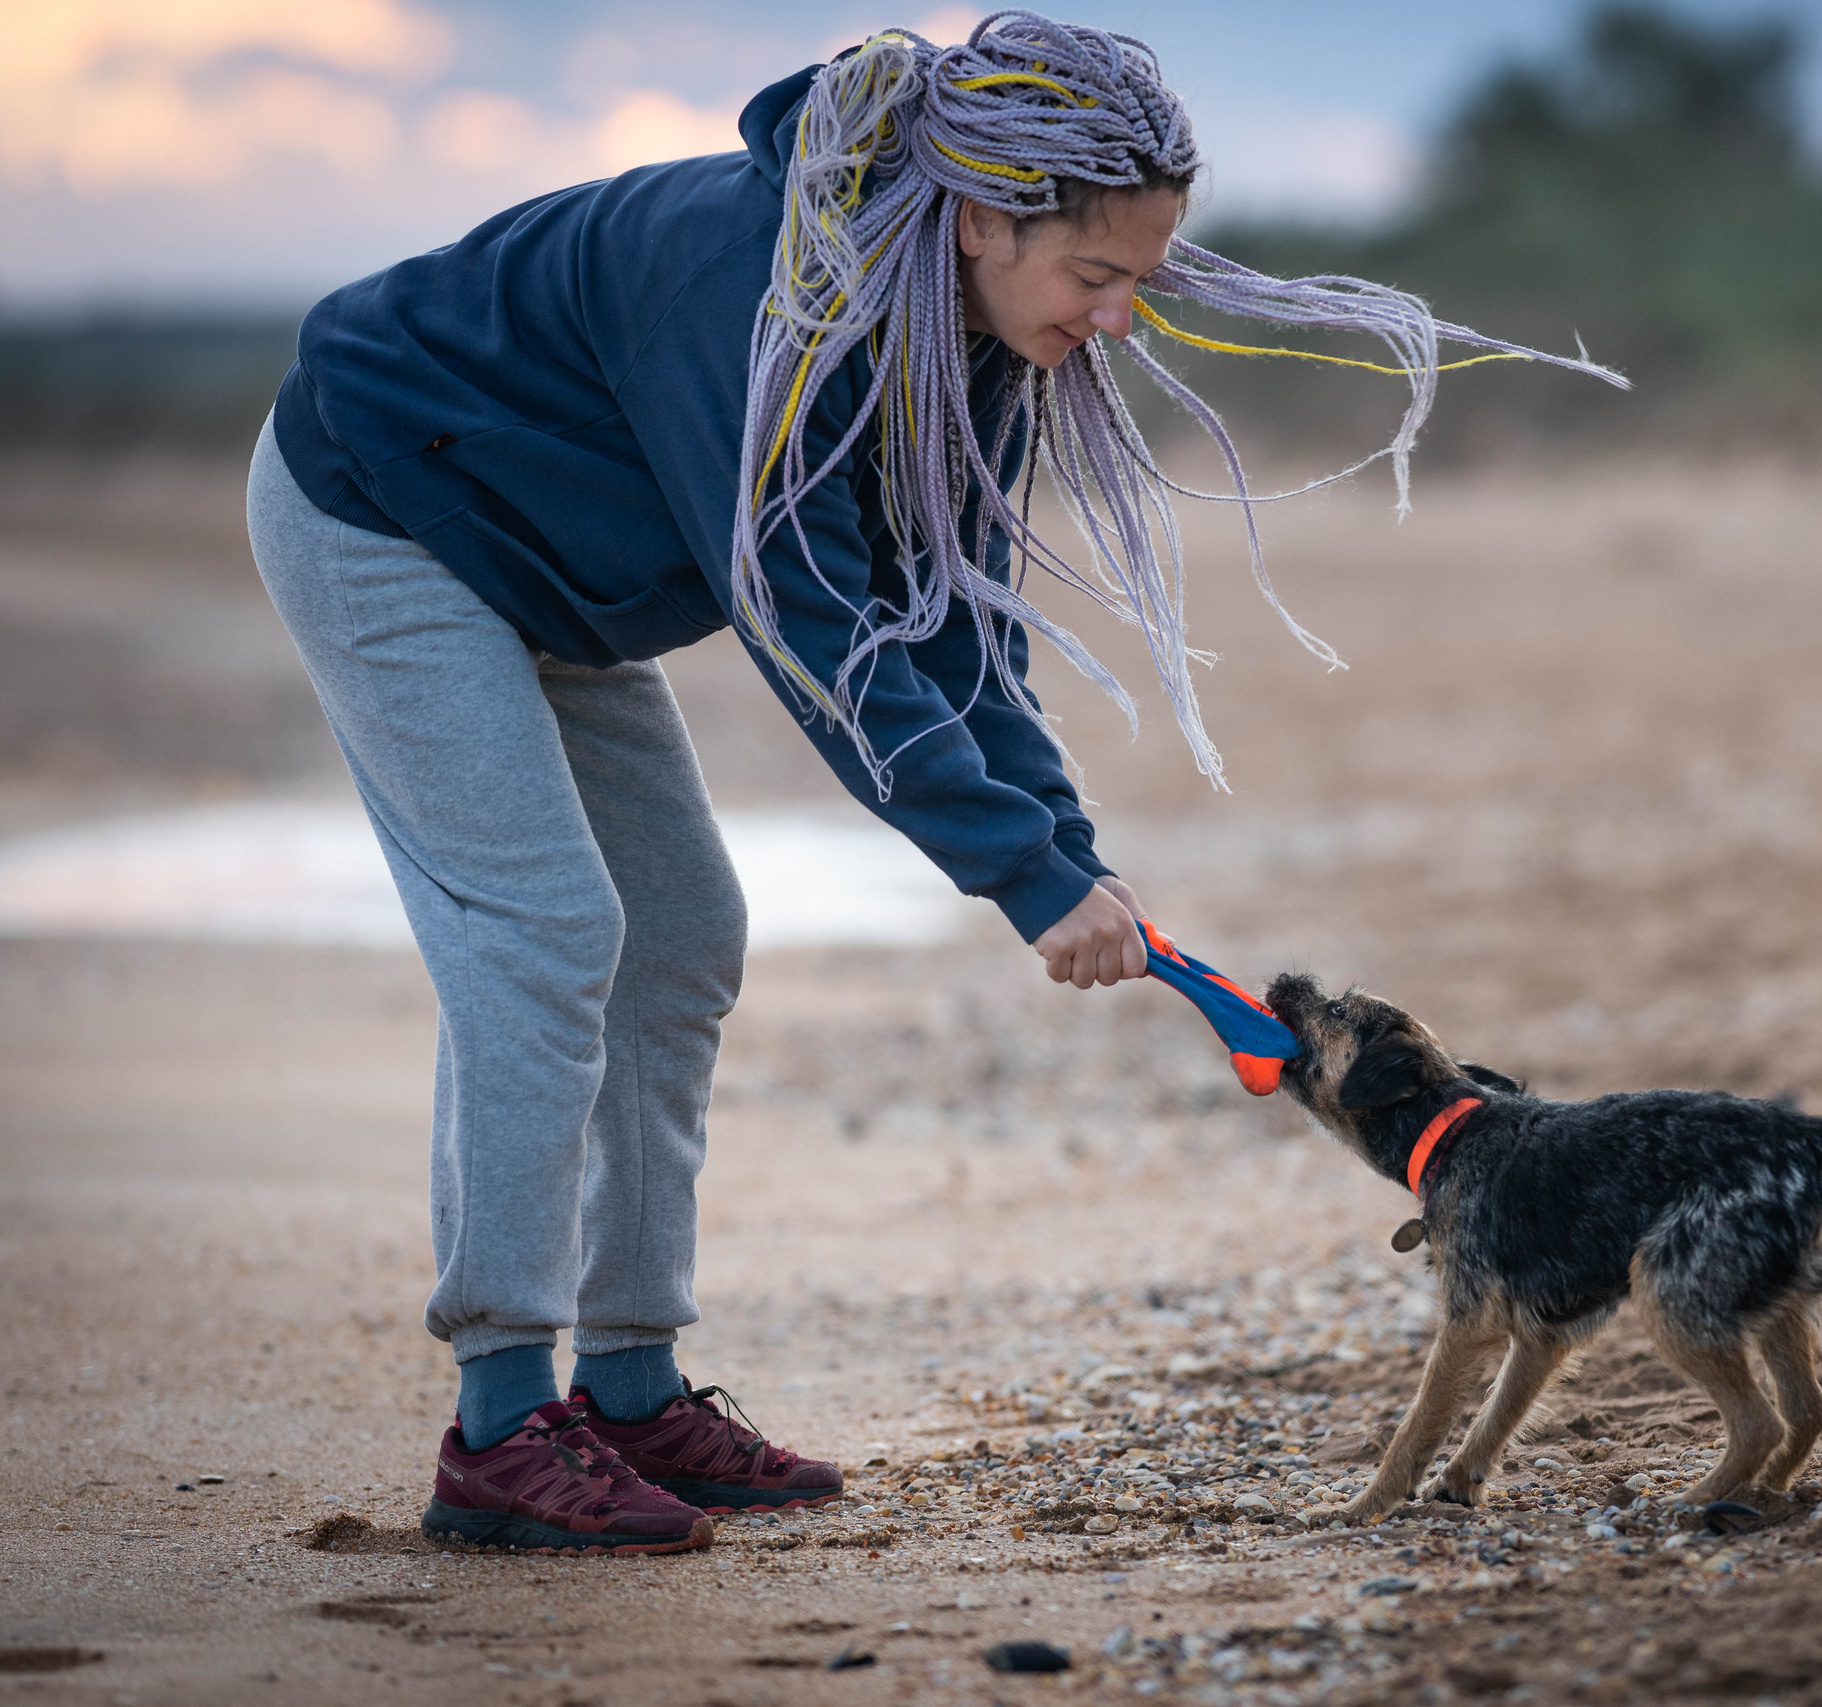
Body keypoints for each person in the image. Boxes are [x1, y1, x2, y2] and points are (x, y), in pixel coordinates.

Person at [244, 10, 1617, 1555]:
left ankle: (630, 1390)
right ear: (979, 216)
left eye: (1140, 285)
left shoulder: (972, 339)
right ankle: (500, 1429)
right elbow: (821, 628)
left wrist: (1071, 857)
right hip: (389, 515)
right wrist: (1020, 880)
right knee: (548, 936)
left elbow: (952, 613)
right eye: (1092, 278)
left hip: (559, 582)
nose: (1114, 319)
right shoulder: (760, 296)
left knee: (682, 936)